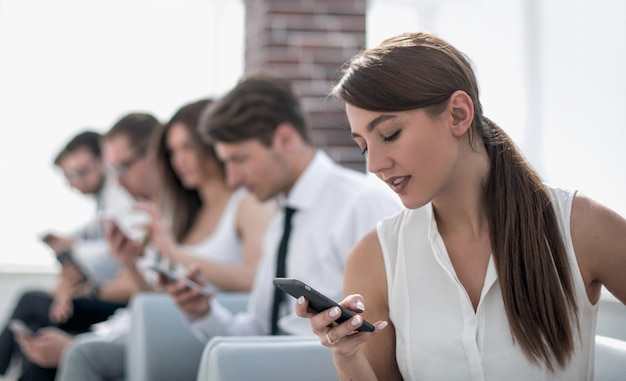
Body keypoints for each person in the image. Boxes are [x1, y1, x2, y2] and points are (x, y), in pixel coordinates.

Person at [295, 31, 626, 380]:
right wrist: (346, 356)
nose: (374, 164)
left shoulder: (581, 228)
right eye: (364, 146)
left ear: (457, 113)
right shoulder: (374, 259)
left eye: (390, 134)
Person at [159, 73, 401, 347]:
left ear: (285, 139)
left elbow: (387, 335)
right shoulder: (281, 219)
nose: (232, 180)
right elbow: (261, 332)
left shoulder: (362, 204)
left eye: (239, 159)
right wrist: (203, 313)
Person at [56, 99, 275, 380]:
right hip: (179, 325)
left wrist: (175, 252)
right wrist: (131, 264)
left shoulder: (246, 203)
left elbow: (257, 277)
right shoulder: (190, 214)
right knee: (75, 346)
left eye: (186, 148)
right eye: (172, 151)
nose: (178, 160)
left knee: (81, 353)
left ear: (209, 145)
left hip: (214, 329)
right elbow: (156, 304)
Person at [10, 113, 162, 381]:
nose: (74, 183)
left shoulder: (127, 201)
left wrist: (84, 285)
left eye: (81, 172)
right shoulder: (110, 205)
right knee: (38, 335)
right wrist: (68, 269)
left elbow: (137, 282)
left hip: (121, 304)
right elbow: (92, 245)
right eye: (69, 176)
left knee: (34, 309)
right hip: (125, 308)